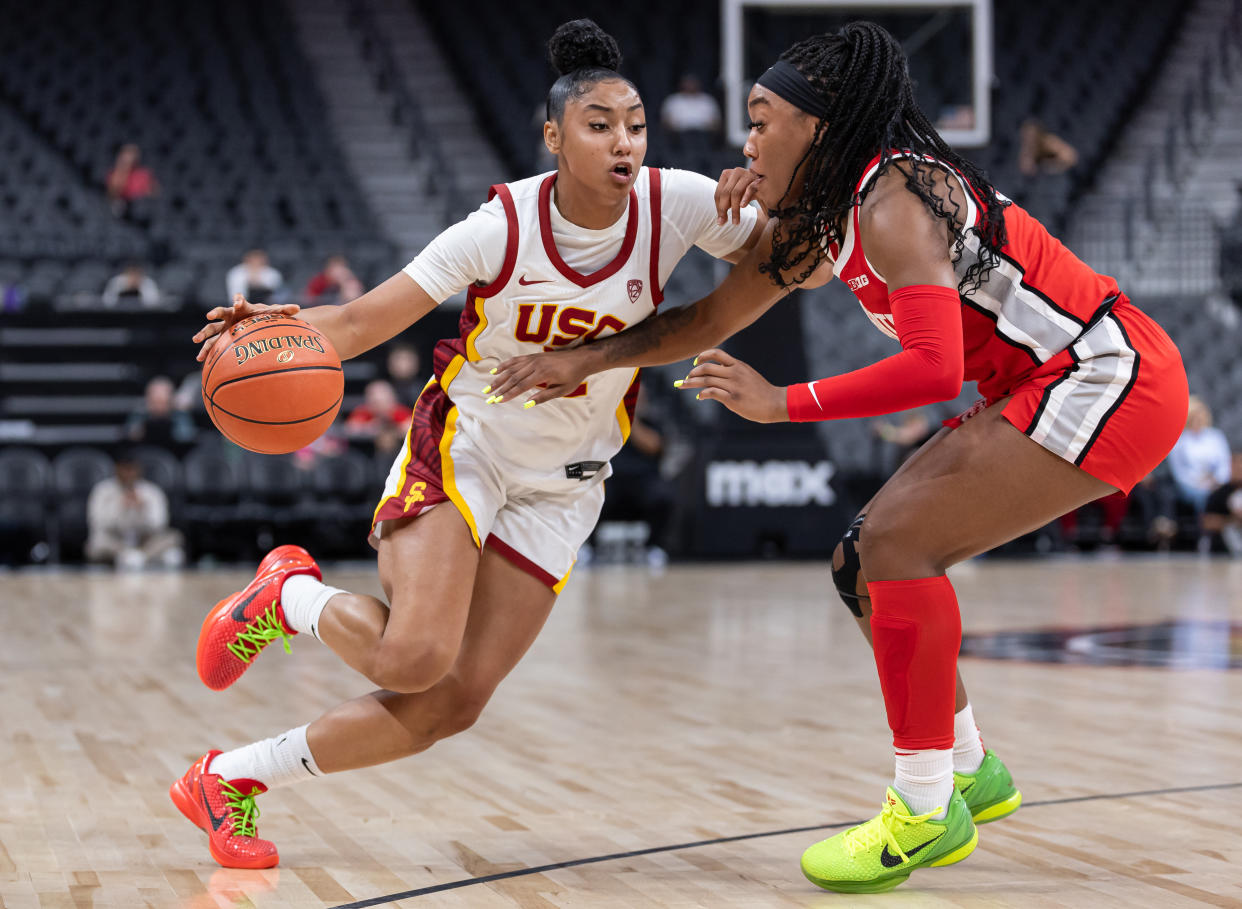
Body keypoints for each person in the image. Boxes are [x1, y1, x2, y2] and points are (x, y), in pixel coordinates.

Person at [488, 21, 1188, 893]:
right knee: (862, 560)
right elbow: (707, 321)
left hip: (1106, 374)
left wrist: (785, 404)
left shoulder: (893, 201)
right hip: (1048, 381)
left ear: (816, 127)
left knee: (895, 546)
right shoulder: (828, 217)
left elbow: (934, 369)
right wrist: (588, 356)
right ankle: (968, 768)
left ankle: (924, 811)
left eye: (760, 119)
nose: (744, 142)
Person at [171, 19, 765, 869]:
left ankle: (225, 777)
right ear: (555, 136)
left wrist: (769, 195)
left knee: (448, 705)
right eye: (599, 125)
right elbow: (361, 320)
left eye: (635, 123)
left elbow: (796, 265)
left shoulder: (682, 203)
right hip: (470, 441)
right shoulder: (498, 226)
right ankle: (288, 597)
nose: (624, 141)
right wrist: (277, 328)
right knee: (414, 655)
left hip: (568, 479)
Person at [85, 453, 184, 569]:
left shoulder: (151, 491)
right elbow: (97, 524)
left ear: (138, 469)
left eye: (132, 469)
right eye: (125, 469)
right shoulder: (102, 491)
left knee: (174, 536)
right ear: (116, 469)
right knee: (96, 544)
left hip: (145, 541)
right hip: (115, 542)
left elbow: (159, 524)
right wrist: (120, 508)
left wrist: (142, 510)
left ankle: (140, 557)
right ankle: (146, 557)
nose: (128, 474)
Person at [1167, 395, 1231, 515]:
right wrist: (1199, 483)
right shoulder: (1180, 441)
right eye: (1194, 417)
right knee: (1202, 498)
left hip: (1216, 484)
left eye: (1200, 416)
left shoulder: (1216, 436)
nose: (1198, 420)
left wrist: (1216, 480)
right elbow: (1179, 472)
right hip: (1190, 486)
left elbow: (1224, 464)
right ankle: (1203, 530)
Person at [661, 74, 722, 173]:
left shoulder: (707, 100)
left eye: (692, 83)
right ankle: (688, 166)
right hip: (681, 135)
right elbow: (666, 122)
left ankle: (703, 167)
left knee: (701, 143)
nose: (690, 86)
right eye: (687, 83)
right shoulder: (674, 100)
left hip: (703, 135)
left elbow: (716, 123)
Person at [344, 379, 413, 458]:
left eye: (383, 401)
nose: (379, 406)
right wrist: (370, 427)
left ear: (392, 399)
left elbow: (411, 427)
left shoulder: (400, 411)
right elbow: (350, 428)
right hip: (369, 456)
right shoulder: (363, 412)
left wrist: (391, 427)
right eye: (375, 402)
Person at [126, 376, 197, 448]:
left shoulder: (180, 414)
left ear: (171, 401)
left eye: (163, 402)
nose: (159, 408)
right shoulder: (139, 414)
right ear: (148, 400)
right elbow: (132, 435)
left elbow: (186, 437)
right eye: (154, 402)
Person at [1202, 451, 1242, 553]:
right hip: (1223, 550)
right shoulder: (1220, 493)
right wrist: (1233, 520)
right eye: (1236, 465)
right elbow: (1206, 522)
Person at [106, 142, 157, 217]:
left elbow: (154, 193)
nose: (128, 160)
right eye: (124, 157)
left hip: (138, 211)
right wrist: (122, 171)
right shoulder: (112, 175)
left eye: (131, 157)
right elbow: (112, 194)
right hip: (121, 209)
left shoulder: (144, 175)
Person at [384, 343, 425, 407]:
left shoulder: (426, 391)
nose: (402, 364)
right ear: (389, 364)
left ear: (417, 364)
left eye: (408, 359)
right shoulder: (381, 390)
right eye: (398, 359)